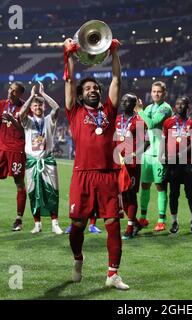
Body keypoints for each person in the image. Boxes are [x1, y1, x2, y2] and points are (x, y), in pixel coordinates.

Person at [63, 37, 128, 289]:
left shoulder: (109, 111)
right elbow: (68, 81)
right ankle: (78, 259)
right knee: (77, 225)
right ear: (81, 95)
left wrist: (114, 53)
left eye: (95, 88)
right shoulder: (74, 112)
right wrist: (68, 56)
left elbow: (116, 80)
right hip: (83, 175)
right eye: (88, 88)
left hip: (108, 175)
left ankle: (113, 274)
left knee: (112, 224)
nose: (93, 90)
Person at [19, 82, 63, 235]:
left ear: (44, 107)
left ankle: (54, 223)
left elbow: (56, 108)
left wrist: (43, 94)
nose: (38, 107)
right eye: (35, 106)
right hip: (32, 161)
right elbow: (20, 114)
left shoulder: (49, 120)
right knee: (33, 192)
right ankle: (37, 223)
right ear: (31, 108)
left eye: (40, 105)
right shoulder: (28, 122)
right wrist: (31, 96)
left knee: (52, 192)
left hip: (48, 160)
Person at [136, 81, 173, 231]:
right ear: (150, 92)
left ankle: (161, 220)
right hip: (148, 154)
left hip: (161, 153)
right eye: (154, 91)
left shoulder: (166, 108)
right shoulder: (149, 108)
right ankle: (143, 218)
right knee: (144, 185)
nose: (156, 94)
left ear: (164, 93)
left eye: (159, 91)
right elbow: (145, 130)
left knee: (160, 186)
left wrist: (139, 111)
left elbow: (151, 124)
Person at [161, 96, 192, 234]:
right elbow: (164, 142)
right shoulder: (168, 123)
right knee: (173, 194)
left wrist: (180, 154)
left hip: (187, 163)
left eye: (182, 104)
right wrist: (163, 156)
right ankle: (174, 222)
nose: (179, 106)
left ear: (187, 106)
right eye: (177, 104)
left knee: (190, 193)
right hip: (172, 164)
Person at [114, 93, 147, 240]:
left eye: (127, 101)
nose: (123, 102)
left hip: (132, 163)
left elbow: (146, 142)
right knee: (122, 194)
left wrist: (134, 154)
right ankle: (136, 223)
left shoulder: (139, 120)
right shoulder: (117, 119)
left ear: (134, 103)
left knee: (131, 193)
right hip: (118, 161)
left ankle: (129, 228)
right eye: (122, 100)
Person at [0, 82, 27, 231]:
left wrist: (12, 120)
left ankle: (18, 219)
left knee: (19, 182)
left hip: (17, 150)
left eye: (14, 91)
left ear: (20, 94)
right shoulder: (2, 105)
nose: (10, 92)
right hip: (1, 148)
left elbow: (25, 132)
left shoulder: (25, 108)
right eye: (10, 89)